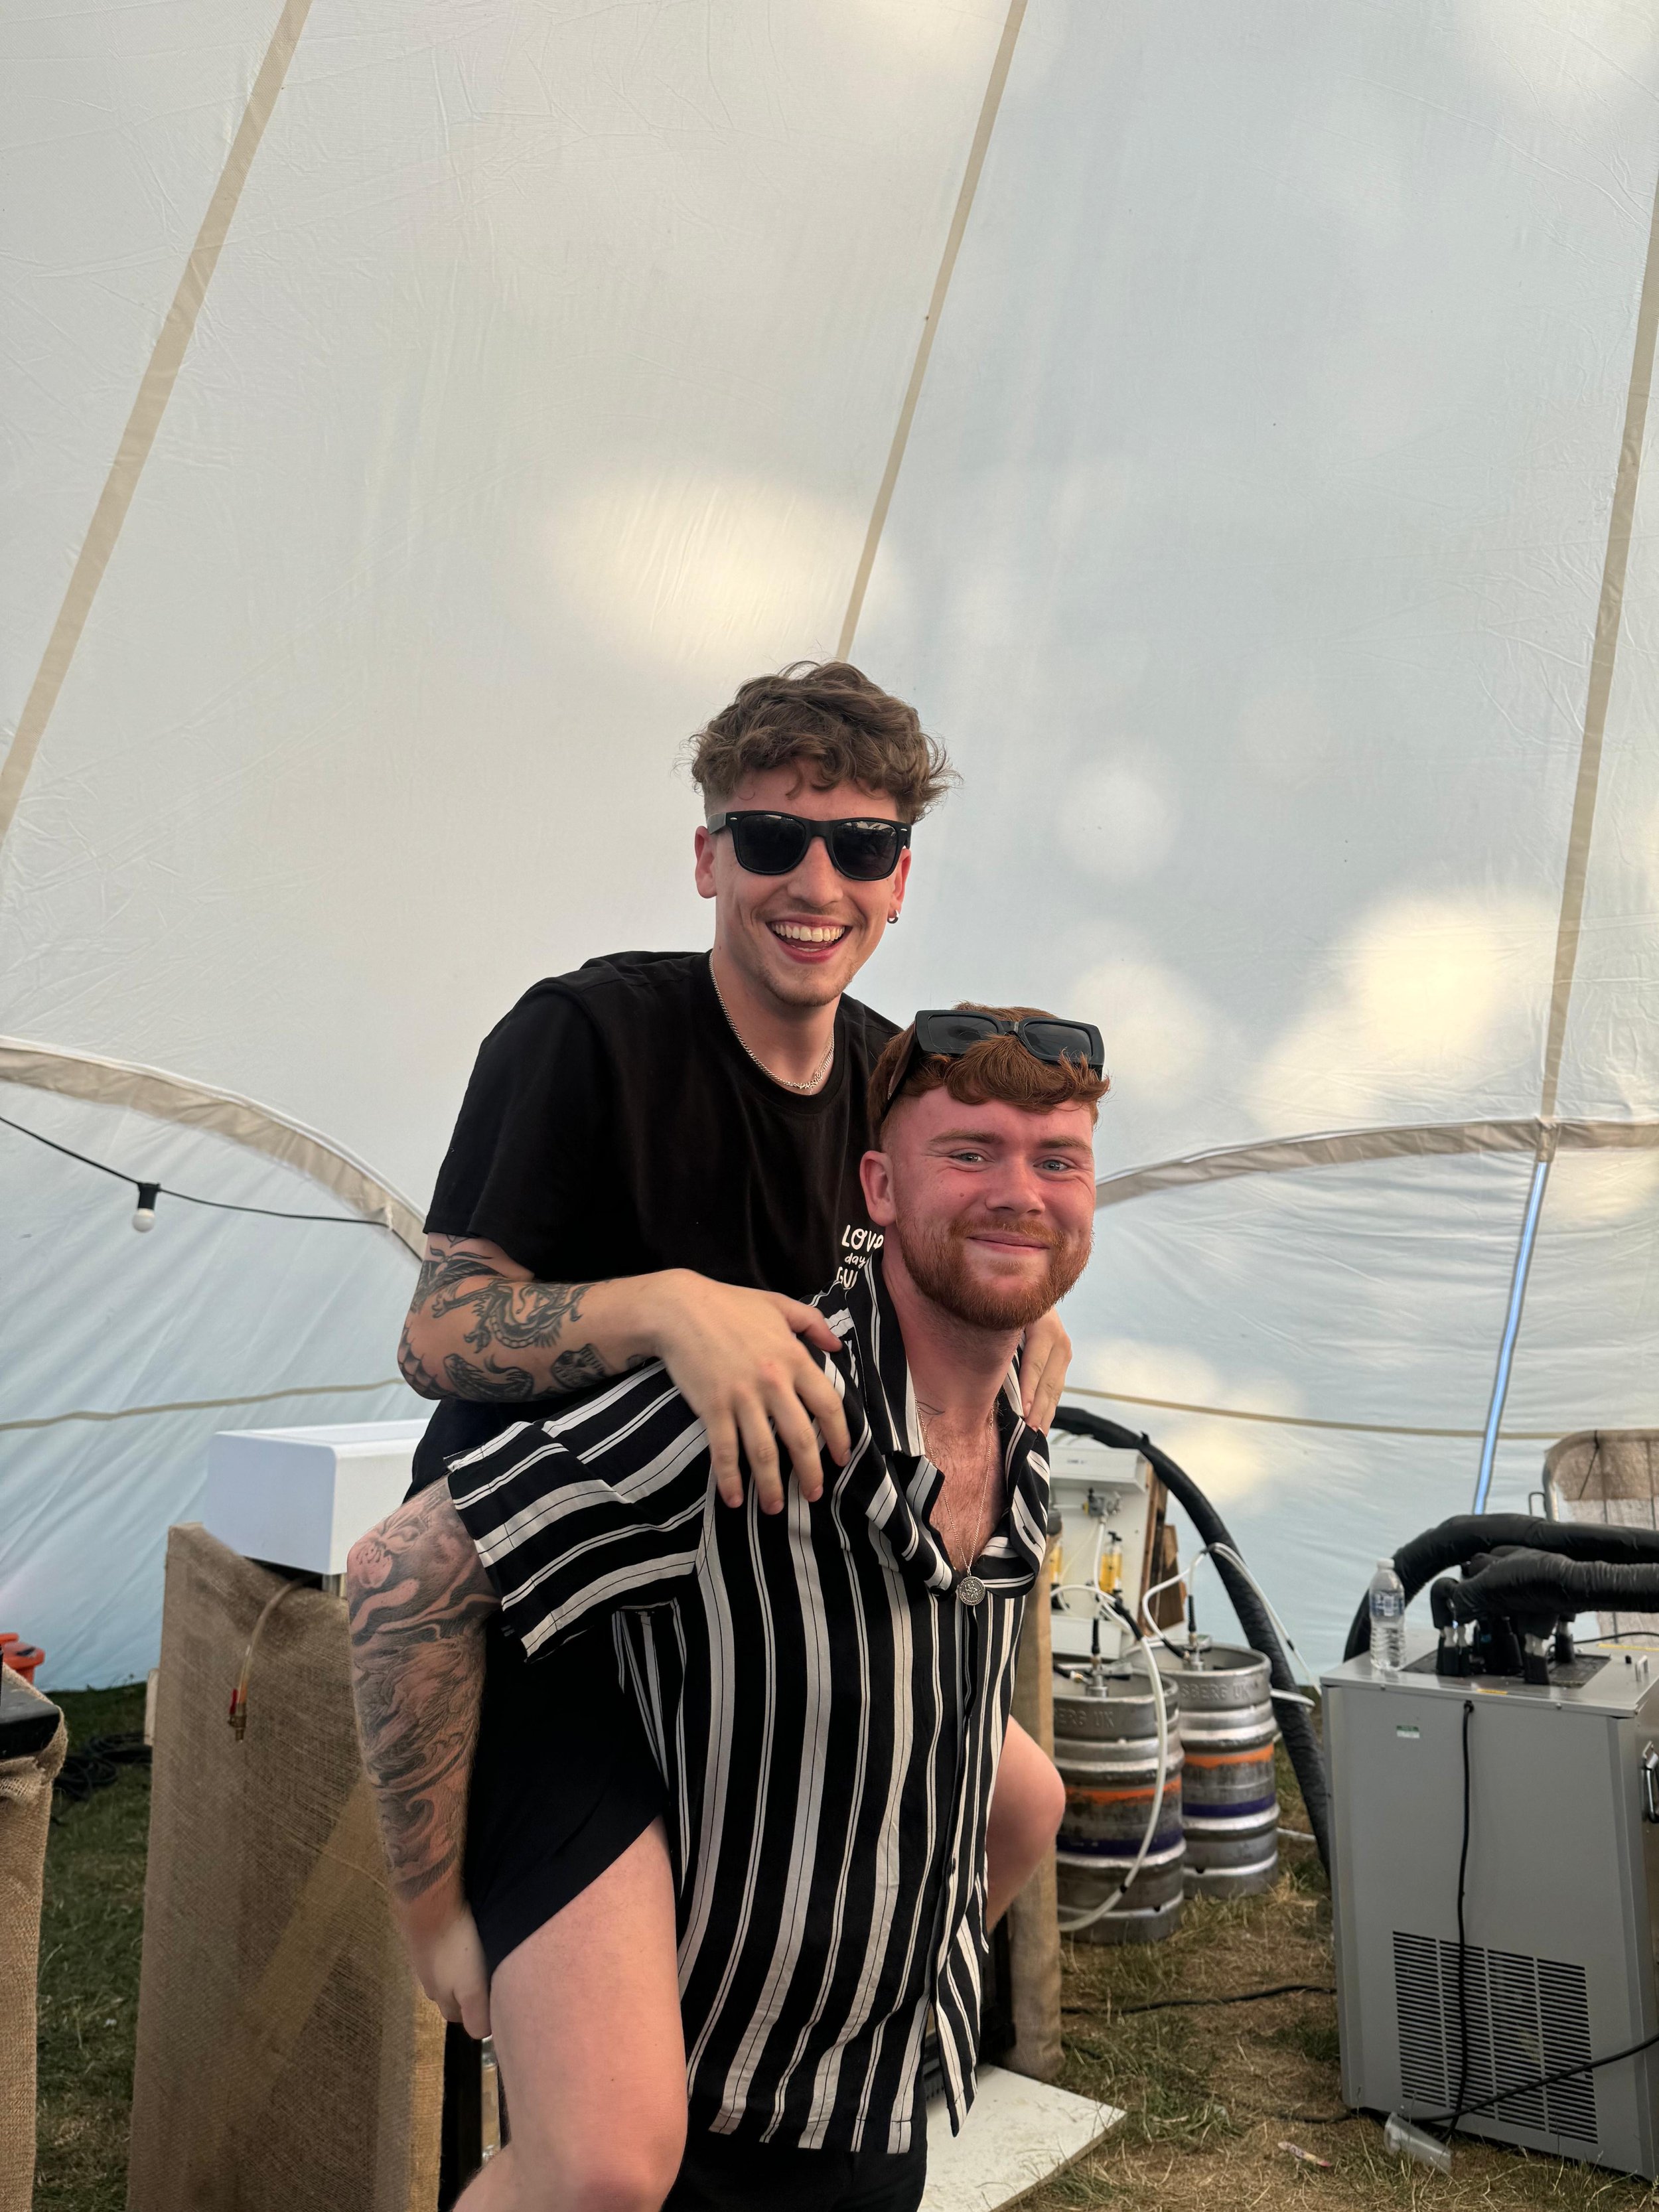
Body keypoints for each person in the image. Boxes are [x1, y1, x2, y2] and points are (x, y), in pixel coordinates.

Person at [376, 665, 1075, 2206]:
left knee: (1020, 1799)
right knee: (610, 2159)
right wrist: (661, 1308)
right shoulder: (586, 1035)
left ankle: (800, 2067)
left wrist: (1018, 1332)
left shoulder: (897, 1082)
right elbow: (435, 1332)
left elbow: (954, 1288)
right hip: (555, 1613)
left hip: (768, 1619)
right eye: (770, 839)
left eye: (859, 848)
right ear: (708, 857)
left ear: (901, 880)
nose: (812, 882)